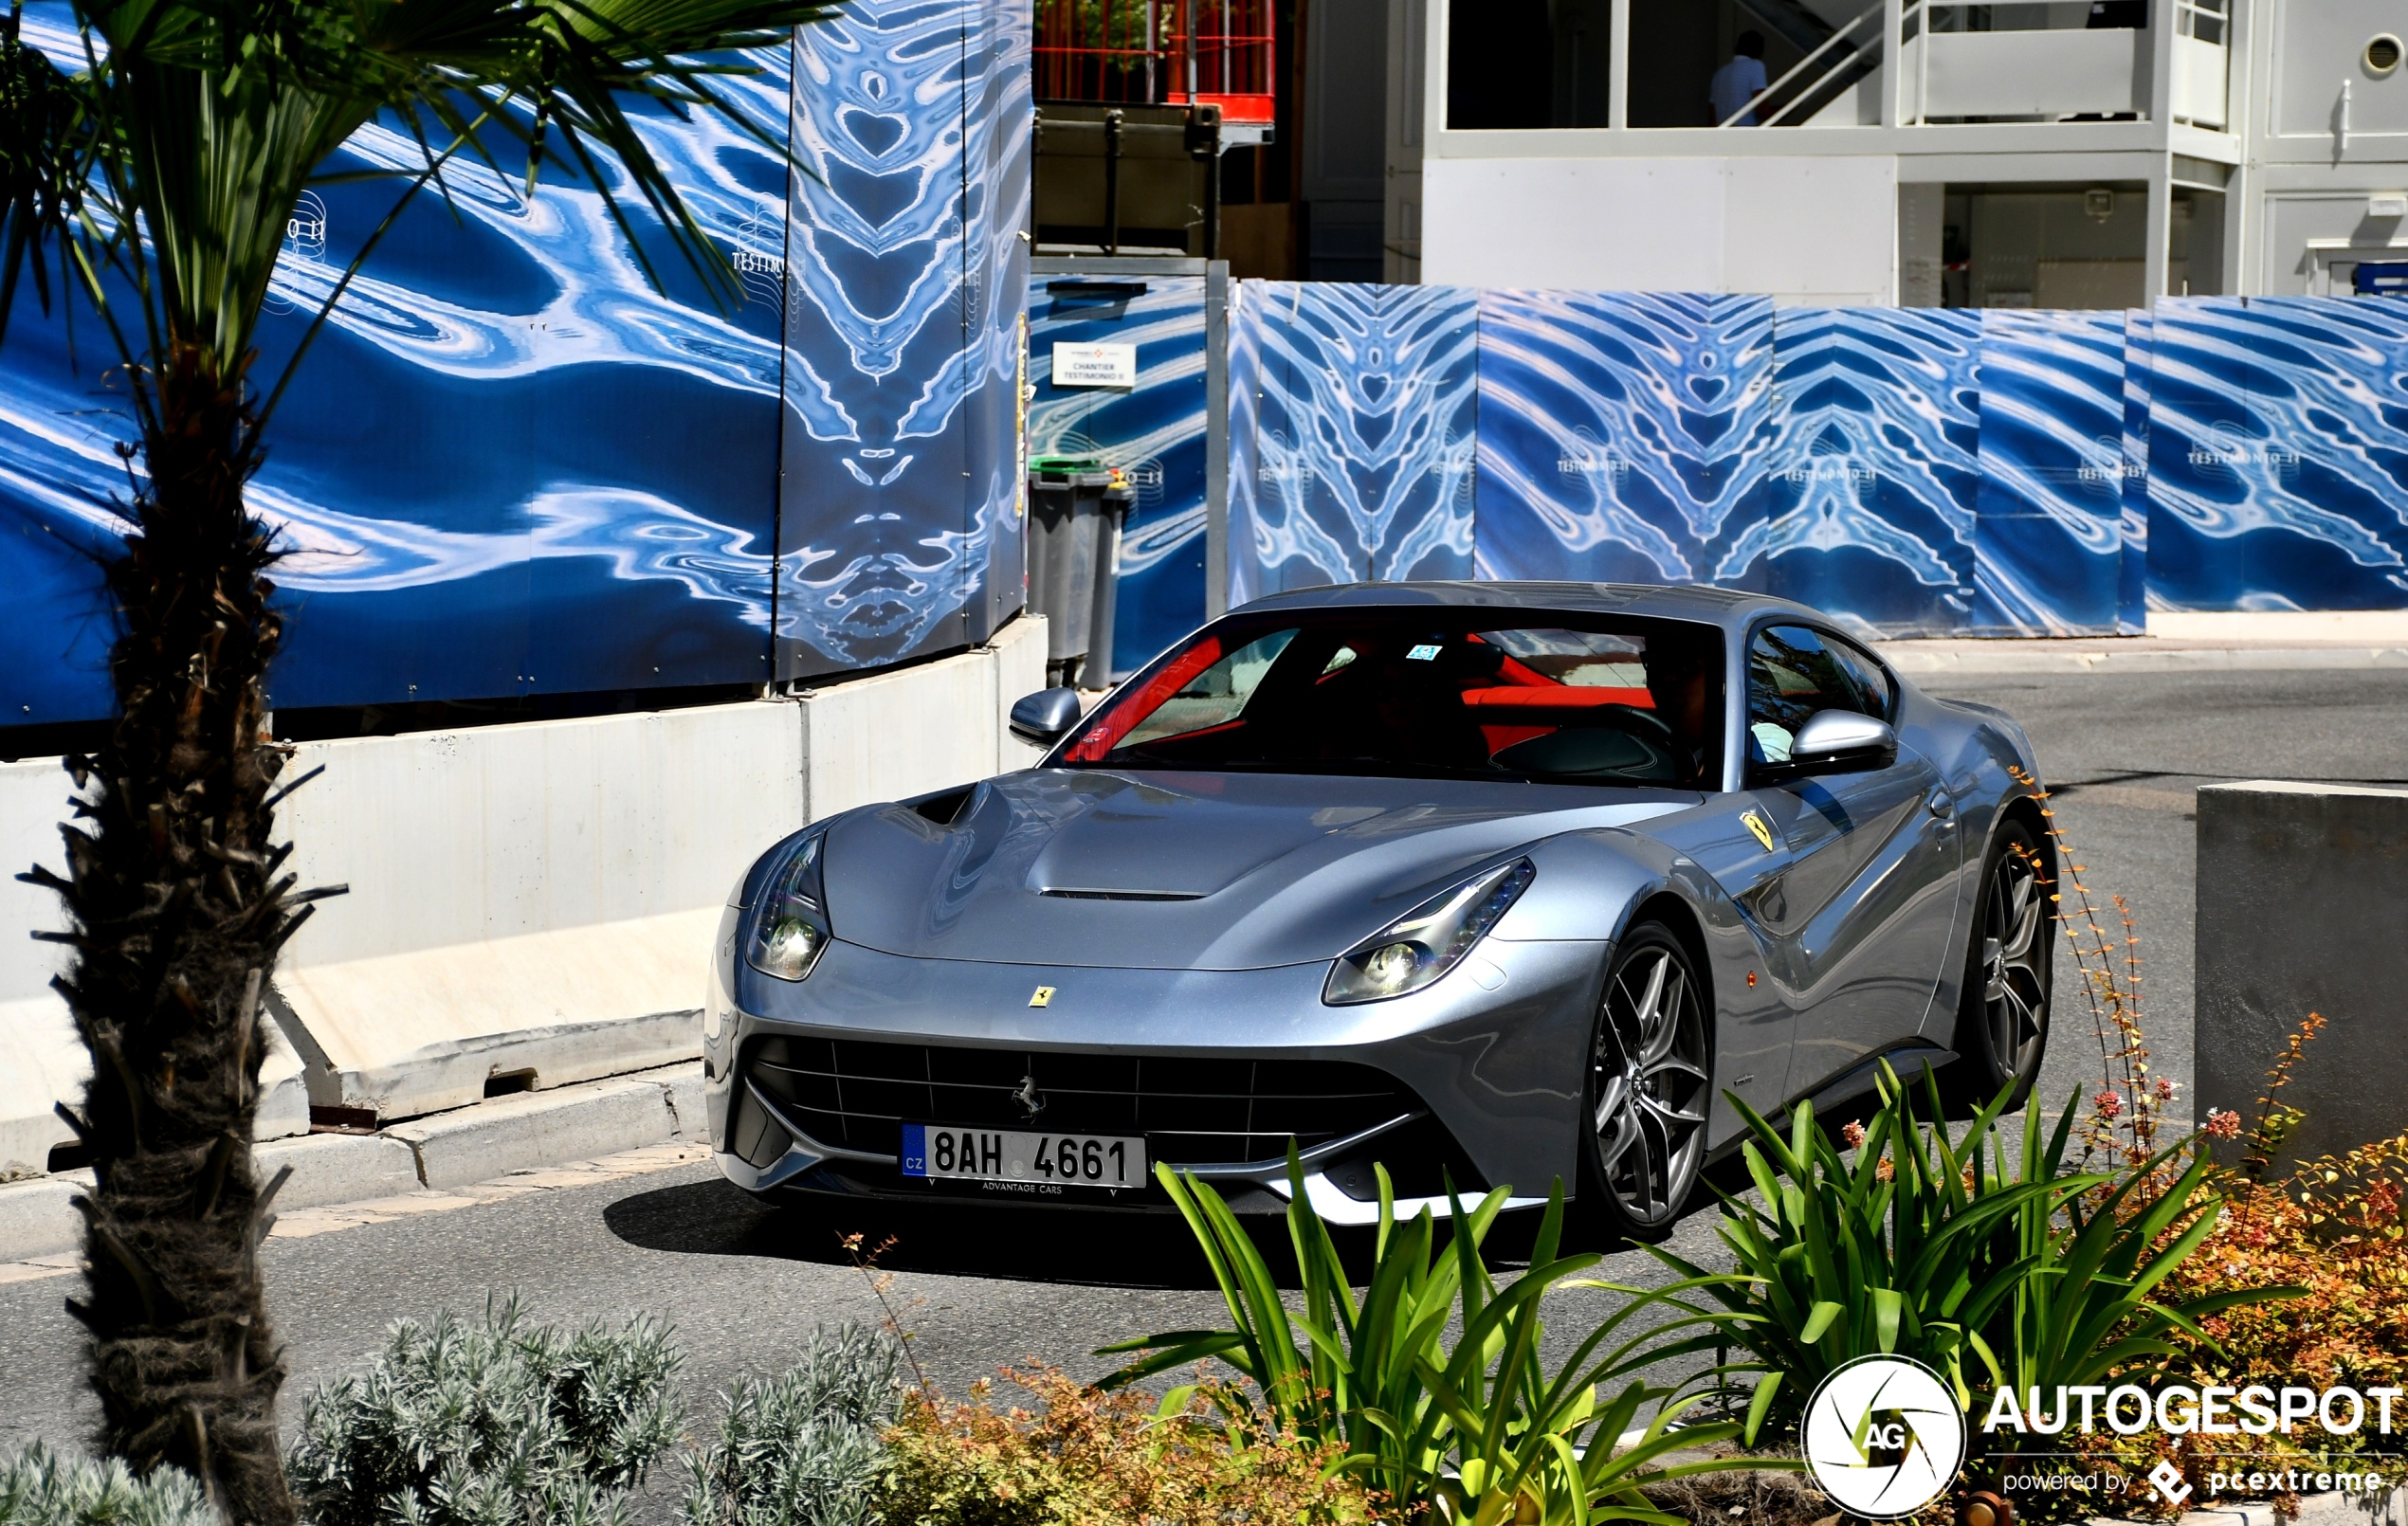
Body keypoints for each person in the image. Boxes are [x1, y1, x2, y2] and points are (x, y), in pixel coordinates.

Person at [1708, 31, 1769, 126]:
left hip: (1722, 136)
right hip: (1744, 136)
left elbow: (1712, 116)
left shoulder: (1719, 74)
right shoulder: (1756, 66)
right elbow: (1763, 111)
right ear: (1760, 50)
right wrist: (1789, 108)